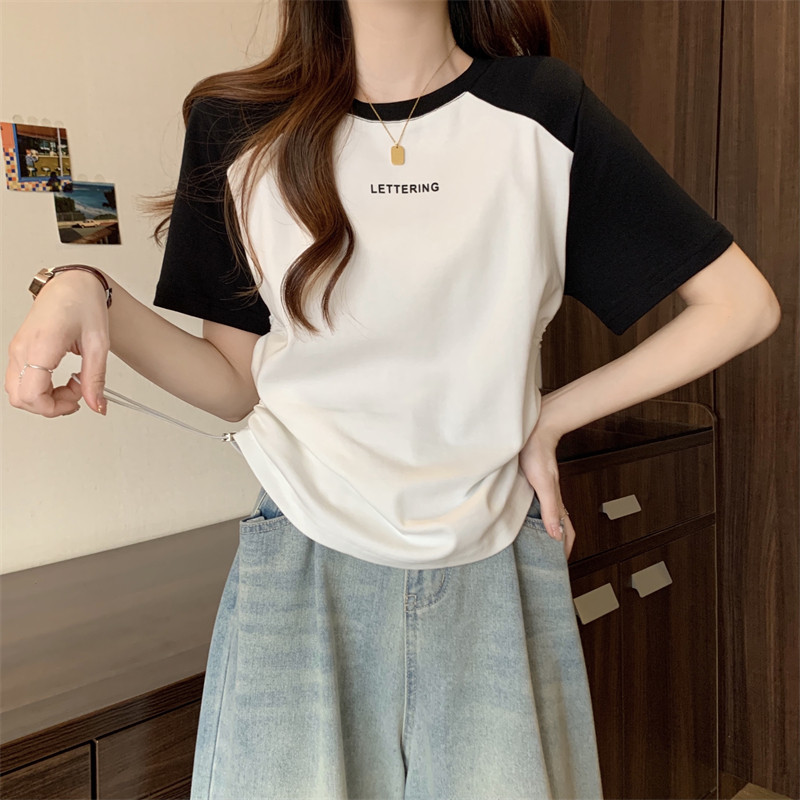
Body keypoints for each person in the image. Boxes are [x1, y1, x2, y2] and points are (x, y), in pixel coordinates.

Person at [4, 0, 781, 798]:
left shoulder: (545, 110)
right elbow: (233, 387)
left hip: (493, 561)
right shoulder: (236, 125)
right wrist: (86, 287)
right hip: (305, 556)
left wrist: (549, 418)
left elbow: (741, 306)